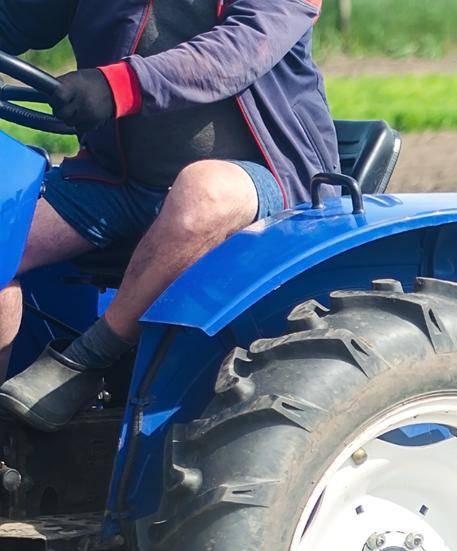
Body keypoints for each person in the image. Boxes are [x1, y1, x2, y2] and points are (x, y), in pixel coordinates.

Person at [0, 0, 338, 431]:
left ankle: (86, 361)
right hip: (118, 179)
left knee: (204, 190)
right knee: (5, 237)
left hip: (265, 177)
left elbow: (239, 50)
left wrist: (118, 86)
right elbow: (18, 19)